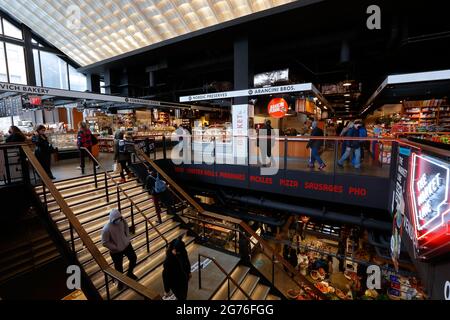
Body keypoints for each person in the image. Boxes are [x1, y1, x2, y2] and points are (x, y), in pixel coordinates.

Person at [101, 209, 138, 290]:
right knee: (118, 268)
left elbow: (126, 227)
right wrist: (115, 247)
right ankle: (120, 282)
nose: (118, 220)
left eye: (119, 218)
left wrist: (127, 238)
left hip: (126, 245)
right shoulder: (106, 229)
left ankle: (130, 273)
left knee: (133, 258)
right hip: (116, 251)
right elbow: (104, 242)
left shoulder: (122, 220)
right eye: (116, 219)